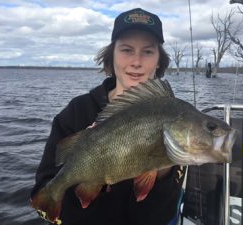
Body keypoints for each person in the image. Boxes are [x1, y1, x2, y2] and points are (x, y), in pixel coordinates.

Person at [31, 8, 186, 225]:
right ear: (111, 56)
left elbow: (158, 218)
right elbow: (45, 200)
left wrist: (162, 175)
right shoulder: (77, 112)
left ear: (159, 60)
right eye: (126, 50)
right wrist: (90, 185)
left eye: (148, 52)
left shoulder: (174, 117)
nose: (136, 61)